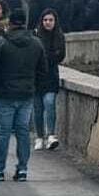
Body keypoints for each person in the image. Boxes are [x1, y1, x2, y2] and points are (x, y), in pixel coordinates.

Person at [0, 10, 48, 182]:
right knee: (23, 133)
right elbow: (43, 70)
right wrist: (33, 86)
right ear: (25, 22)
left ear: (10, 23)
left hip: (4, 95)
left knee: (3, 133)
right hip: (26, 95)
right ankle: (22, 169)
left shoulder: (1, 44)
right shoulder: (37, 44)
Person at [34, 9, 65, 151]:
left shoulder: (59, 36)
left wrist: (45, 57)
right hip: (36, 78)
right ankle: (39, 137)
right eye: (45, 20)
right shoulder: (36, 36)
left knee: (49, 103)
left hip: (51, 76)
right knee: (38, 109)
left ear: (55, 21)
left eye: (50, 20)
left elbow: (60, 55)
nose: (47, 22)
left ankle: (51, 135)